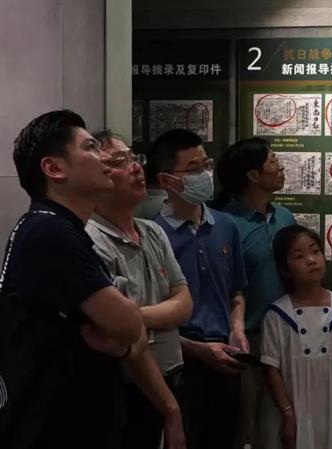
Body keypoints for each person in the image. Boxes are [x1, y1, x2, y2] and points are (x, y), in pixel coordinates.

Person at [0, 110, 144, 449]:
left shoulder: (58, 227)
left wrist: (124, 339)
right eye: (91, 147)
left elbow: (126, 332)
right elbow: (128, 324)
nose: (105, 158)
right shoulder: (49, 231)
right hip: (52, 424)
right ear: (54, 168)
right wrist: (125, 338)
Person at [86, 131, 192, 449]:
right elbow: (121, 336)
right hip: (127, 386)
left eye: (134, 158)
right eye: (120, 161)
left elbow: (184, 303)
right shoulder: (90, 240)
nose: (135, 167)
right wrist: (126, 322)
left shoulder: (153, 231)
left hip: (173, 372)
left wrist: (131, 317)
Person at [150, 129, 248, 449]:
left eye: (206, 164)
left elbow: (236, 291)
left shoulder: (226, 226)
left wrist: (236, 329)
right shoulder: (154, 236)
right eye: (193, 169)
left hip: (225, 357)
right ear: (166, 180)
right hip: (177, 363)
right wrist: (198, 350)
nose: (205, 174)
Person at [217, 137, 296, 447]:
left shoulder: (285, 217)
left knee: (276, 426)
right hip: (246, 340)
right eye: (273, 161)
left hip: (286, 335)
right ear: (252, 175)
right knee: (240, 425)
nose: (281, 167)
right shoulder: (225, 223)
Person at [261, 225, 332, 449]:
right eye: (299, 256)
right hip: (296, 413)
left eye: (315, 251)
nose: (311, 260)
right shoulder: (277, 315)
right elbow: (271, 369)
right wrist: (288, 414)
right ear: (285, 269)